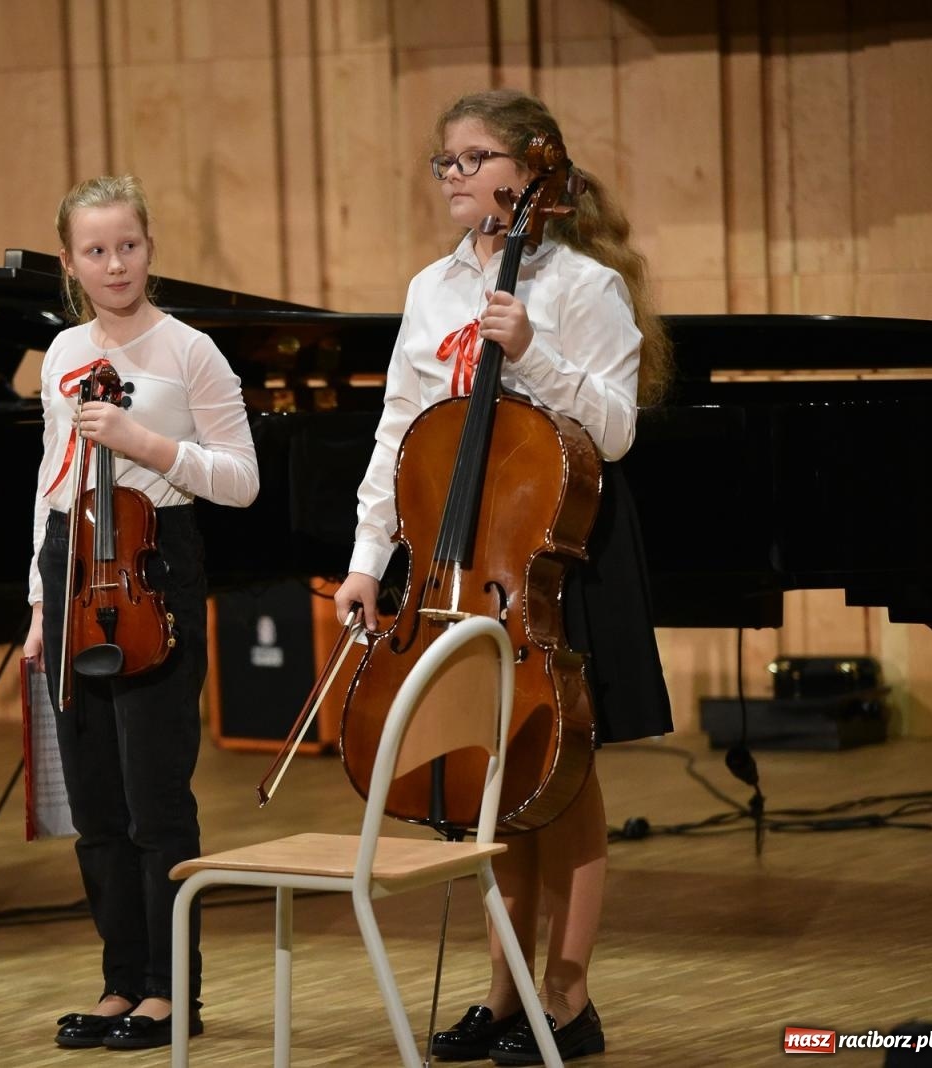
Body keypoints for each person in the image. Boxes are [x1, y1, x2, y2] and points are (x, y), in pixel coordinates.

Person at [333, 90, 673, 1066]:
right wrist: (367, 561)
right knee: (494, 779)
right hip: (462, 556)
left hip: (562, 554)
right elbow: (400, 431)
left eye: (471, 157)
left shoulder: (582, 286)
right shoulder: (430, 287)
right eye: (443, 160)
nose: (451, 176)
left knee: (561, 779)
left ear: (533, 169)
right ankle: (503, 995)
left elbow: (612, 429)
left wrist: (535, 348)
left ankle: (566, 1001)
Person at [23, 175, 259, 1051]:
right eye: (95, 250)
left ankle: (172, 993)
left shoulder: (190, 350)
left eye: (127, 245)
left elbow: (242, 480)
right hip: (72, 560)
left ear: (149, 247)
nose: (114, 263)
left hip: (157, 561)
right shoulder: (60, 352)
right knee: (94, 803)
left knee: (155, 796)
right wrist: (39, 600)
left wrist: (147, 444)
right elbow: (50, 479)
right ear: (69, 261)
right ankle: (122, 982)